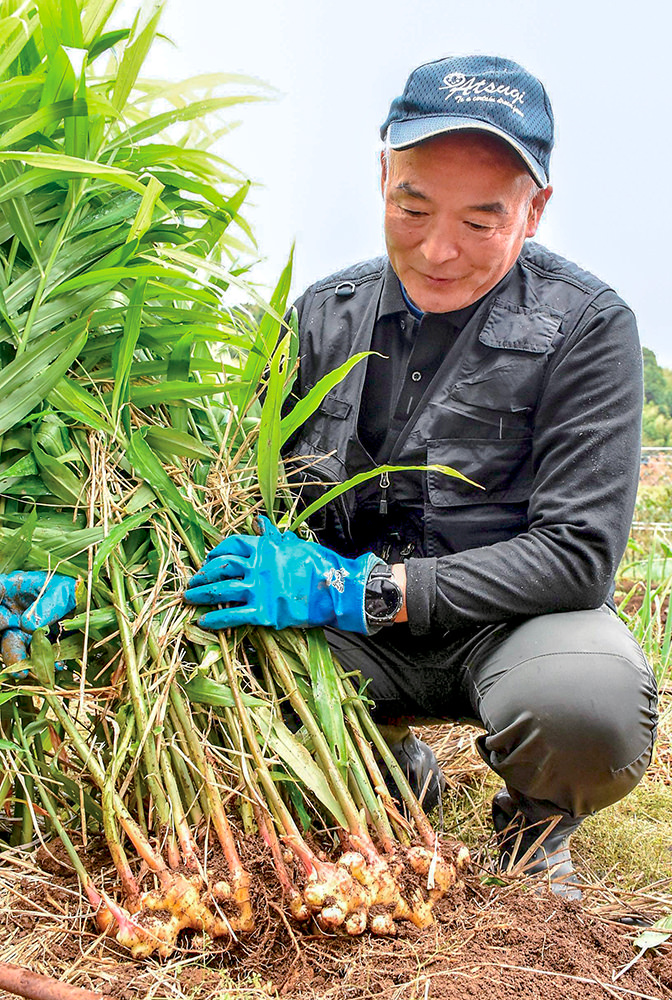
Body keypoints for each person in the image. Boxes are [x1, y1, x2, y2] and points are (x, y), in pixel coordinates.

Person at [185, 55, 658, 899]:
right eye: (412, 207)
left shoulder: (589, 327)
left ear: (535, 210)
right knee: (209, 676)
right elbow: (245, 495)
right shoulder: (318, 317)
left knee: (591, 704)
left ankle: (537, 824)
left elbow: (579, 556)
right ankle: (385, 768)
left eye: (482, 222)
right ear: (382, 176)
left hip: (510, 628)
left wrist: (367, 589)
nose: (438, 250)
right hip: (352, 644)